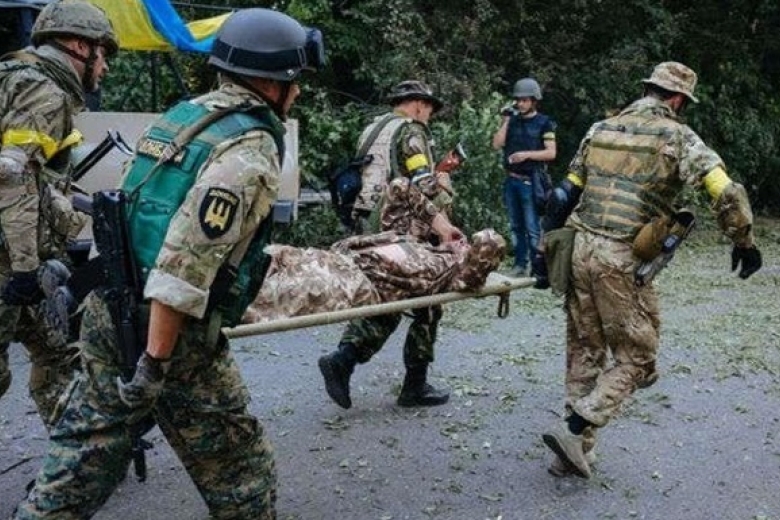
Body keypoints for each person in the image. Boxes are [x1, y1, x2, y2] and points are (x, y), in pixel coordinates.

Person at [14, 7, 324, 519]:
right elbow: (186, 261)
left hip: (110, 307)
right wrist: (155, 362)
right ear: (276, 82)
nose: (299, 92)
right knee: (243, 476)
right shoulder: (249, 147)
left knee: (79, 463)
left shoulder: (185, 117)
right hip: (169, 334)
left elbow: (132, 210)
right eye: (298, 81)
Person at [539, 61, 763, 479]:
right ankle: (575, 428)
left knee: (585, 349)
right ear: (677, 99)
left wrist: (542, 253)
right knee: (639, 358)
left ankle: (572, 453)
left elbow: (563, 194)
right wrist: (744, 242)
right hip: (620, 258)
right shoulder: (678, 136)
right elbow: (724, 190)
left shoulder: (600, 129)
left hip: (579, 249)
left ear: (648, 90)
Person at [0, 0, 116, 429]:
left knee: (60, 352)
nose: (104, 67)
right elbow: (11, 175)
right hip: (12, 263)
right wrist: (25, 270)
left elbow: (36, 176)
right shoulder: (43, 92)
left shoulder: (13, 76)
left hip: (19, 256)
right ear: (78, 46)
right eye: (103, 53)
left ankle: (79, 455)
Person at [318, 80, 463, 410]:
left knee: (386, 298)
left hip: (367, 222)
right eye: (429, 109)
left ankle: (344, 359)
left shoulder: (374, 128)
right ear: (418, 104)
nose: (429, 116)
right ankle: (412, 384)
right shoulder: (411, 130)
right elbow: (422, 181)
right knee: (429, 298)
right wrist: (444, 198)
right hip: (400, 227)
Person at [492, 77, 557, 277]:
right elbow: (496, 144)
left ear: (534, 101)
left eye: (524, 100)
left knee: (532, 226)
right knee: (515, 225)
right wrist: (506, 121)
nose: (520, 104)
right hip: (511, 179)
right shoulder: (512, 121)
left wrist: (527, 155)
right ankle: (520, 264)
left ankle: (537, 267)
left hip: (531, 180)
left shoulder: (544, 123)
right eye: (518, 100)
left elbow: (551, 153)